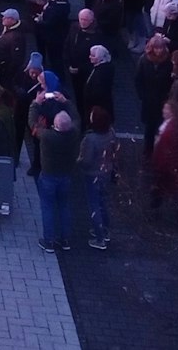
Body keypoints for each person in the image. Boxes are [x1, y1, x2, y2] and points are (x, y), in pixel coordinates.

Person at [36, 108, 82, 253]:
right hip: (66, 176)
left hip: (48, 176)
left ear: (55, 126)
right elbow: (77, 118)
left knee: (47, 207)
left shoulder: (47, 136)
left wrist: (36, 104)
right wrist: (66, 102)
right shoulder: (74, 134)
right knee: (64, 207)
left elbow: (33, 123)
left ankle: (49, 241)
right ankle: (65, 240)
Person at [79, 106, 119, 250]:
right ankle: (105, 230)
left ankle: (99, 237)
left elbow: (86, 161)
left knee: (94, 205)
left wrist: (79, 161)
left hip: (92, 175)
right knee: (102, 202)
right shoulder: (111, 133)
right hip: (106, 173)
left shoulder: (90, 139)